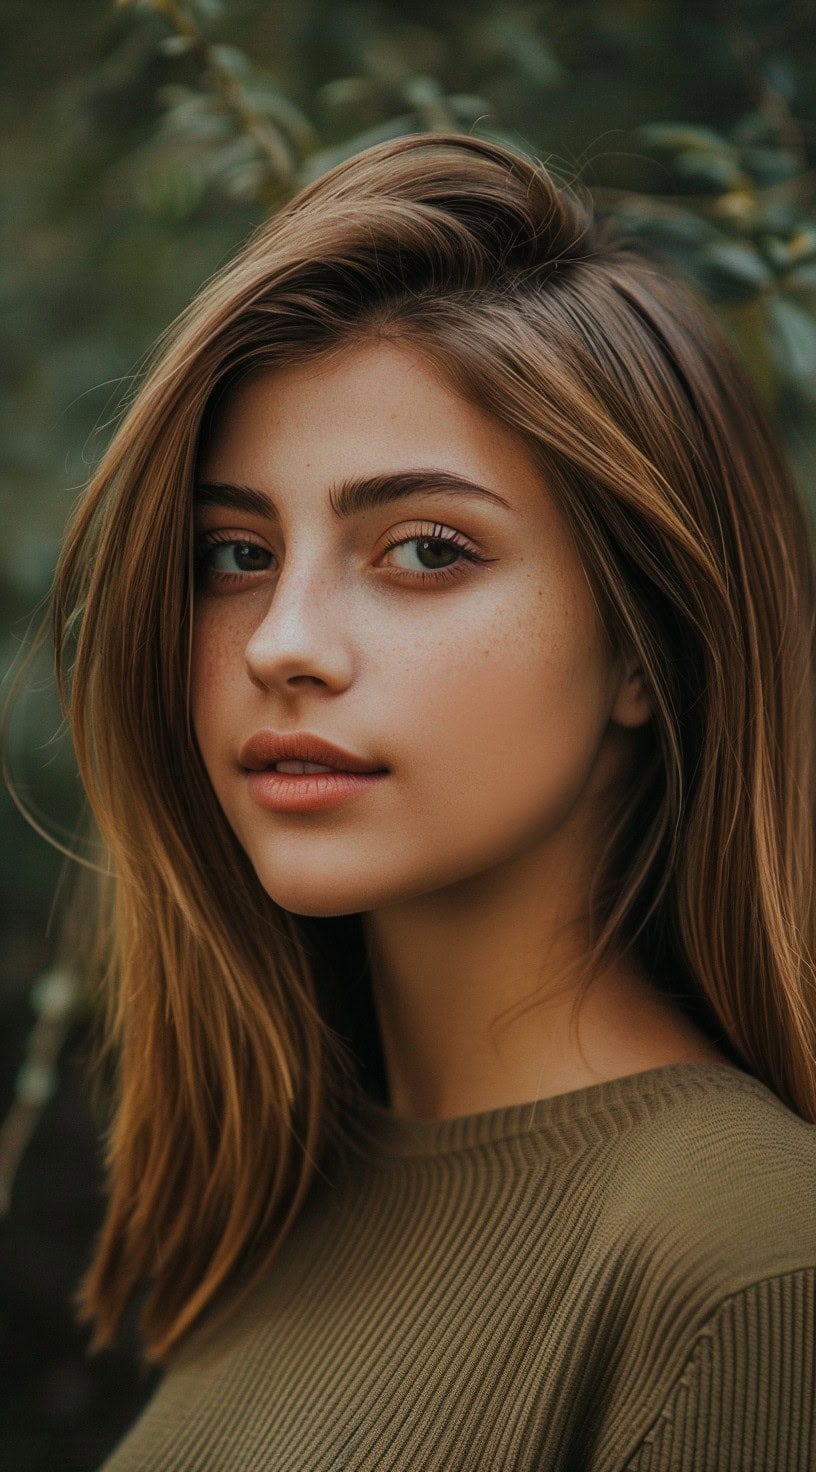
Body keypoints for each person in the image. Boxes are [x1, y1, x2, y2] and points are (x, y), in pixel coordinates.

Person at [45, 132, 815, 1468]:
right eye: (236, 553)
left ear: (646, 644)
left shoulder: (745, 1264)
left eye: (422, 550)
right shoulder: (288, 1215)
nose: (282, 641)